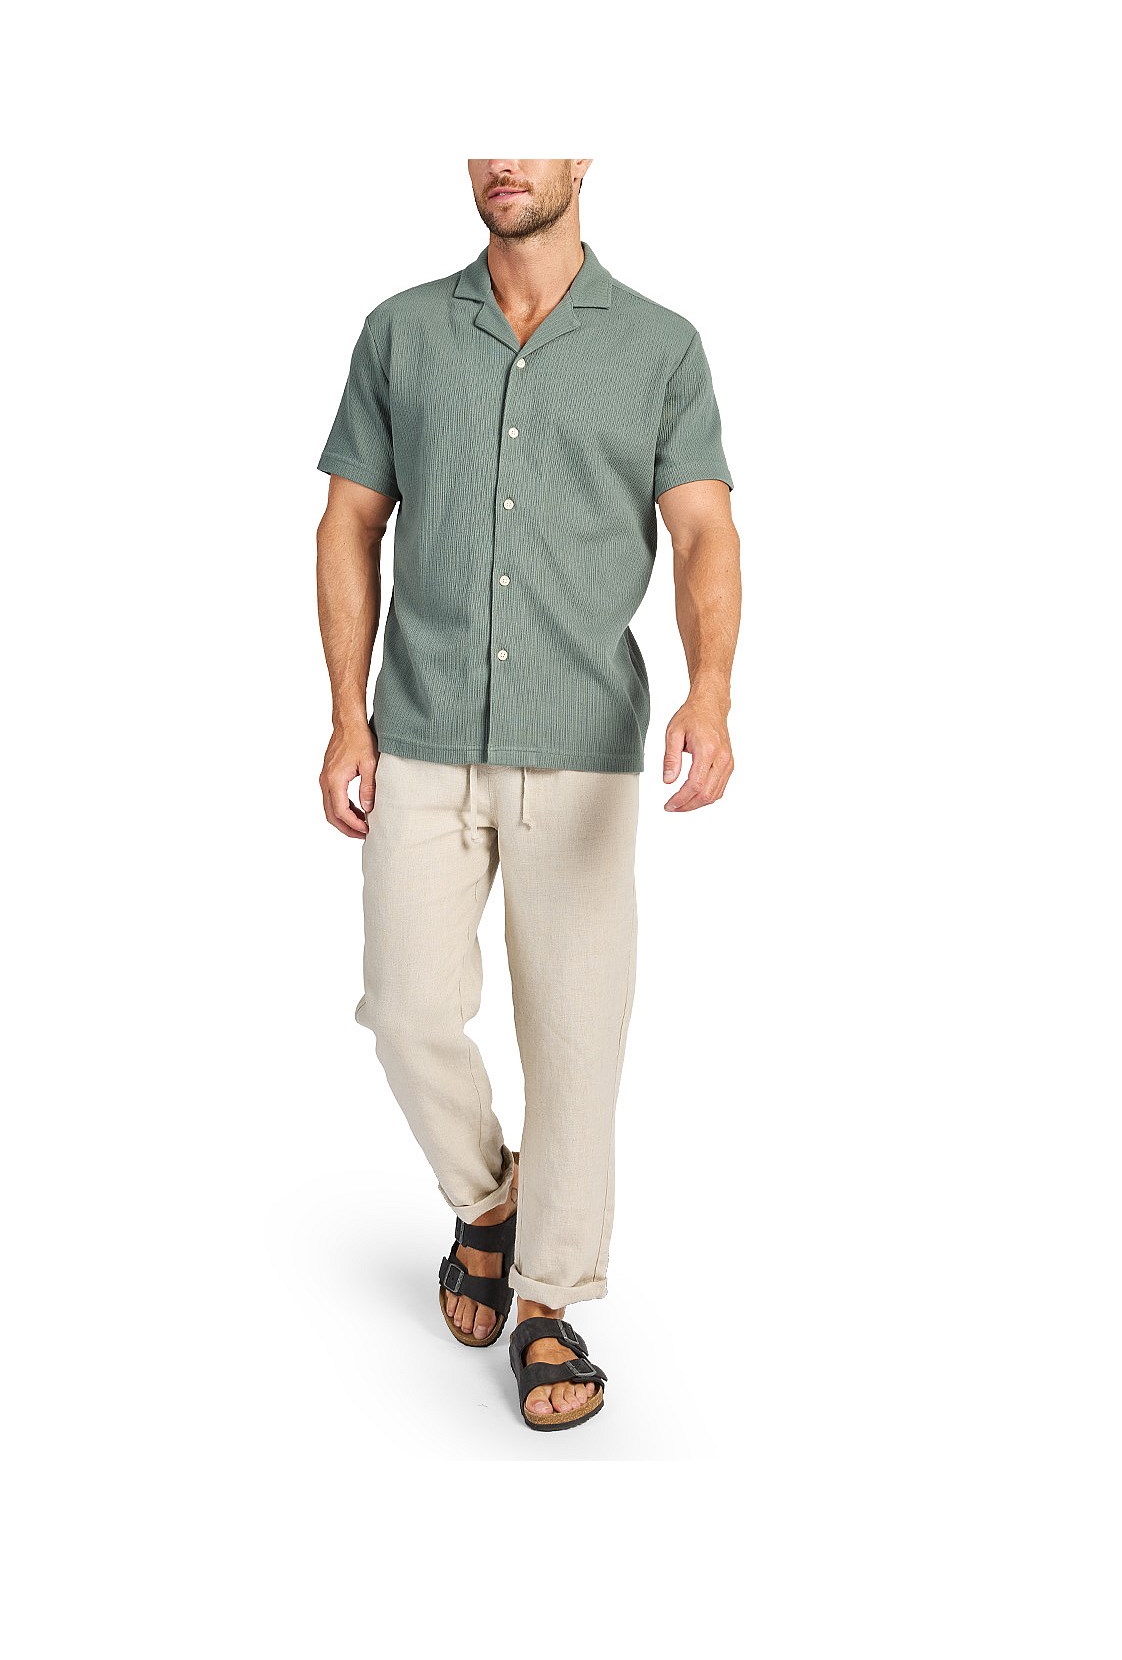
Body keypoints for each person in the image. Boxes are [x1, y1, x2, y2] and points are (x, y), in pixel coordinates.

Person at [315, 158, 740, 1432]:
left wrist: (711, 691)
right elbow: (348, 523)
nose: (506, 158)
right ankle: (486, 1196)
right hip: (422, 729)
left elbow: (705, 531)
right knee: (405, 1008)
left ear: (583, 158)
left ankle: (550, 1293)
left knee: (575, 1039)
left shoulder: (661, 347)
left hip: (582, 745)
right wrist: (347, 712)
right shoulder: (400, 332)